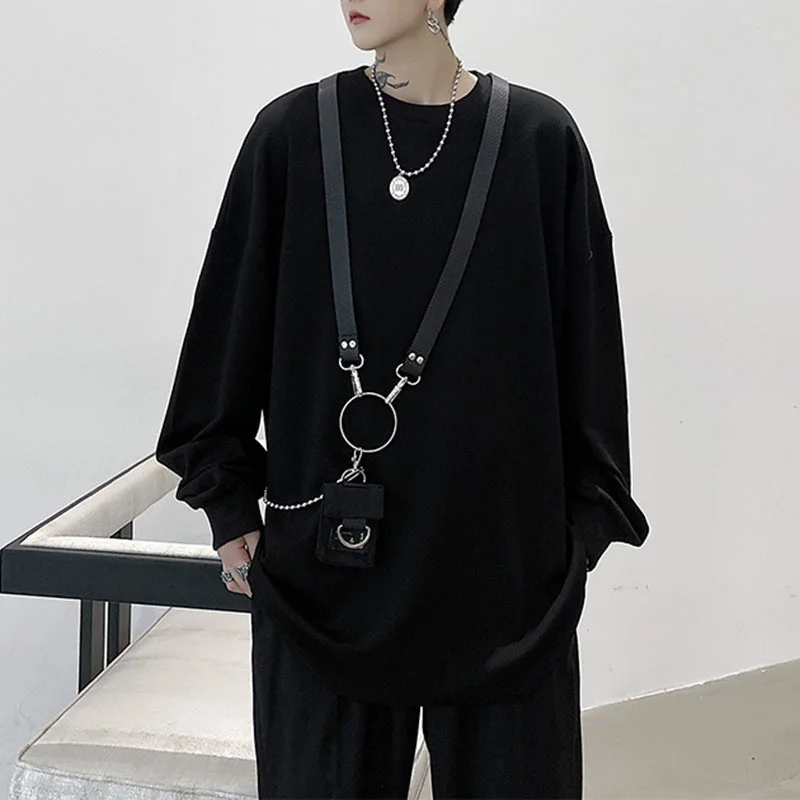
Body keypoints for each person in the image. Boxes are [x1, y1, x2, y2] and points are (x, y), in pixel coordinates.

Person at [155, 1, 651, 797]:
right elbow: (226, 330)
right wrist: (227, 501)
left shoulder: (538, 140)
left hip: (505, 589)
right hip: (325, 582)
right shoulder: (292, 136)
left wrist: (577, 538)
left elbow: (588, 353)